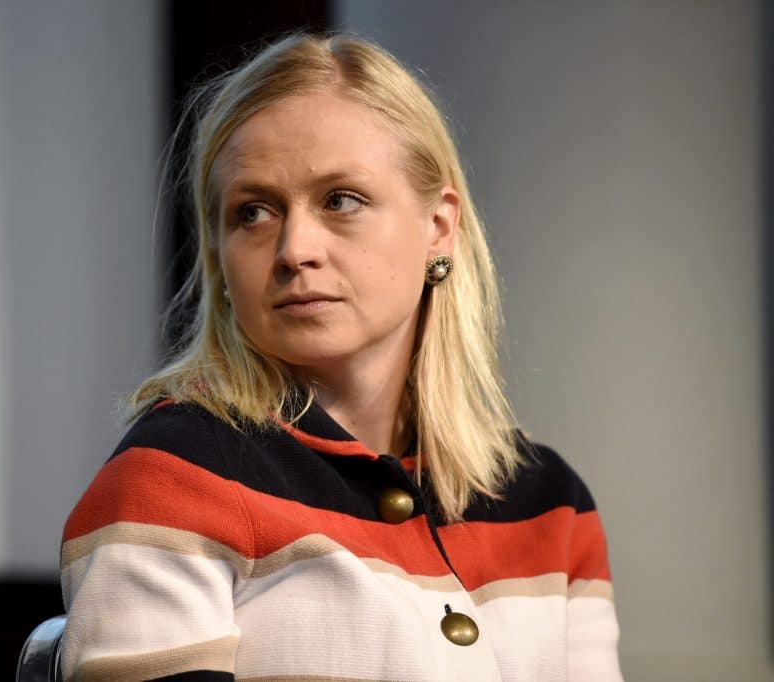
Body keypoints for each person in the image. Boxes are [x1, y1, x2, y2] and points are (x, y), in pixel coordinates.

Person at [59, 32, 622, 681]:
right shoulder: (173, 477)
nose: (295, 249)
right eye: (253, 212)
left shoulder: (551, 503)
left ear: (439, 228)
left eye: (341, 201)